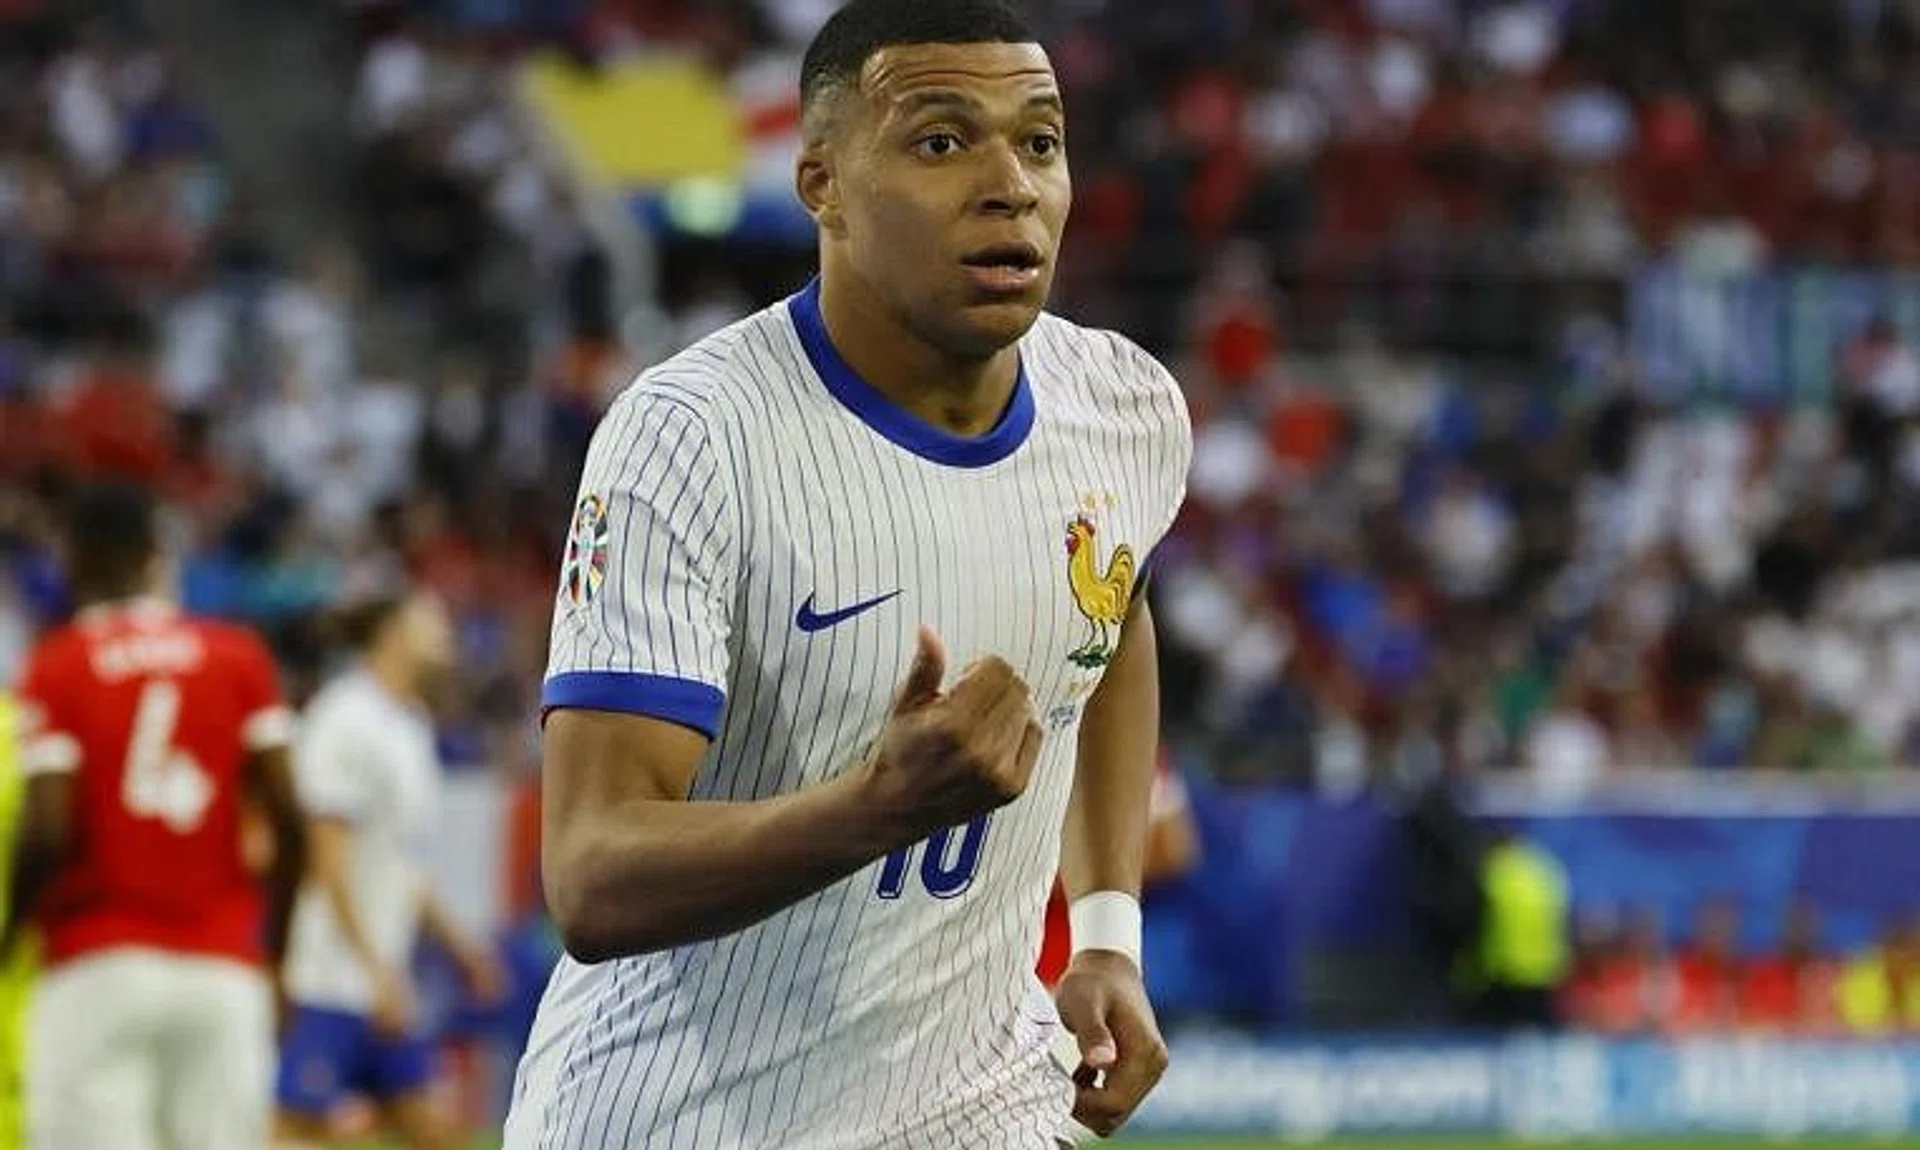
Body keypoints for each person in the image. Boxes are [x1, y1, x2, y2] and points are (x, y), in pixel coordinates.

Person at [504, 1, 1192, 1146]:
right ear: (821, 184)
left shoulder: (1126, 408)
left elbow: (1113, 613)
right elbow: (592, 873)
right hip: (681, 1116)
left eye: (1040, 141)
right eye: (941, 141)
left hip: (981, 1103)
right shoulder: (691, 436)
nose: (1010, 186)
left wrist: (1108, 930)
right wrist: (879, 807)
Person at [9, 482, 308, 1150]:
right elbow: (290, 816)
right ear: (155, 557)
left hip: (98, 965)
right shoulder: (238, 655)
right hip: (222, 973)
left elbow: (47, 831)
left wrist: (11, 934)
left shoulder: (58, 665)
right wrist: (276, 955)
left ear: (73, 563)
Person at [274, 587, 505, 1150]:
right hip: (333, 977)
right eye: (431, 620)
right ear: (393, 633)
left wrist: (462, 947)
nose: (446, 632)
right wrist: (373, 969)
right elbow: (327, 860)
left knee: (434, 1132)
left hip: (384, 977)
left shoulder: (410, 724)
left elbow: (401, 862)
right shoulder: (344, 718)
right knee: (294, 1132)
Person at [1036, 748, 1199, 988]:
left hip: (1100, 957)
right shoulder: (1033, 745)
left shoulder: (1138, 747)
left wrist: (1095, 869)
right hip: (1022, 958)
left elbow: (1175, 850)